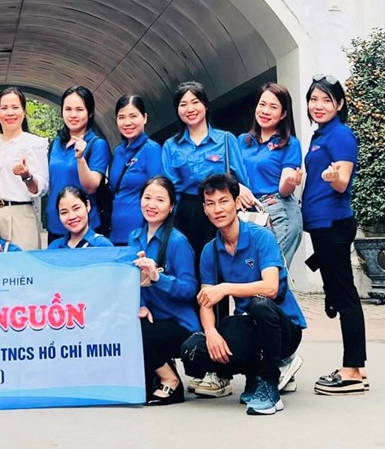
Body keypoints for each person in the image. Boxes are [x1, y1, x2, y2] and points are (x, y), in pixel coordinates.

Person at [180, 173, 307, 416]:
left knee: (259, 304)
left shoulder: (261, 237)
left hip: (283, 327)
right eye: (210, 203)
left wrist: (226, 288)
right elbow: (206, 300)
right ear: (204, 209)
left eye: (223, 201)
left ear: (237, 203)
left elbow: (270, 288)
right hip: (248, 325)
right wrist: (211, 333)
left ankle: (270, 384)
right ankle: (254, 375)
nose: (217, 209)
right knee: (193, 350)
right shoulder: (210, 251)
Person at [302, 74, 368, 395]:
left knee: (345, 295)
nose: (318, 105)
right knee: (340, 293)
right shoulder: (321, 134)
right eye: (313, 99)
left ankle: (352, 370)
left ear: (339, 104)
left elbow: (342, 182)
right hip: (322, 224)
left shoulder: (340, 135)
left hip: (333, 223)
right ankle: (355, 367)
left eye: (326, 100)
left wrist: (333, 178)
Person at [162, 81, 255, 262]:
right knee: (189, 262)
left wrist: (240, 188)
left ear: (205, 105)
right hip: (186, 213)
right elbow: (170, 189)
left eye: (195, 102)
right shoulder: (171, 146)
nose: (190, 109)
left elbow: (242, 180)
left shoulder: (226, 139)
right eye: (183, 104)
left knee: (222, 261)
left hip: (219, 208)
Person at [128, 176, 200, 406]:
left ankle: (171, 380)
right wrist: (141, 305)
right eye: (147, 198)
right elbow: (129, 283)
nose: (152, 205)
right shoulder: (134, 238)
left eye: (160, 200)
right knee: (127, 323)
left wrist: (158, 277)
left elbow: (189, 289)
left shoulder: (178, 242)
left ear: (171, 207)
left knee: (139, 331)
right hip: (152, 317)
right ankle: (156, 375)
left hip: (179, 322)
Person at [238, 84, 305, 264]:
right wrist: (238, 187)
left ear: (283, 114)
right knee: (250, 270)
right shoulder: (242, 141)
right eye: (262, 104)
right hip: (249, 213)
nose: (265, 111)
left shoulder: (290, 144)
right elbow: (229, 175)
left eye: (273, 107)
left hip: (278, 212)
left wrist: (291, 181)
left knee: (271, 271)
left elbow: (284, 189)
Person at [0, 87, 49, 250]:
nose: (10, 113)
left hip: (21, 215)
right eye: (4, 108)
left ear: (24, 112)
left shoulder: (34, 144)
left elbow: (40, 188)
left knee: (23, 263)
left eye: (15, 107)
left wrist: (27, 176)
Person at [45, 86, 110, 242]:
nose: (73, 115)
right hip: (56, 224)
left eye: (79, 109)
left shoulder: (96, 144)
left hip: (86, 226)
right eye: (68, 109)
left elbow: (91, 186)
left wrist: (80, 159)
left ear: (90, 112)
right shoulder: (55, 144)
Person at [105, 95, 165, 246]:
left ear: (144, 118)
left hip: (141, 235)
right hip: (115, 232)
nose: (127, 122)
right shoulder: (118, 151)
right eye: (122, 117)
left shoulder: (151, 150)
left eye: (133, 116)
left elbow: (159, 193)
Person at [47, 186, 114, 250]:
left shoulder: (102, 245)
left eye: (76, 208)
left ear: (87, 205)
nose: (71, 217)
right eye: (64, 212)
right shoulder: (54, 247)